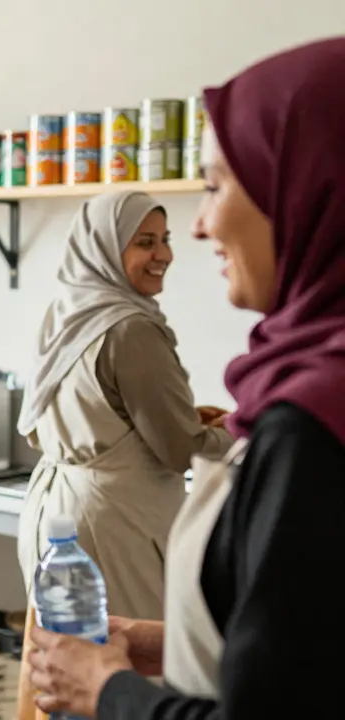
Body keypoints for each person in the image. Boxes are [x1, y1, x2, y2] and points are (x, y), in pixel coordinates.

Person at [24, 37, 345, 719]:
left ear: (308, 187)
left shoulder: (312, 427)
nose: (198, 228)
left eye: (219, 184)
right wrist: (168, 646)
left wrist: (109, 692)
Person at [16, 189, 233, 621]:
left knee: (68, 669)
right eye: (145, 242)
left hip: (54, 514)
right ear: (106, 248)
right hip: (117, 525)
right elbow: (178, 448)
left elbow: (82, 418)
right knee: (130, 671)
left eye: (165, 238)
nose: (165, 254)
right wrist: (245, 434)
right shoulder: (130, 329)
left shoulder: (65, 313)